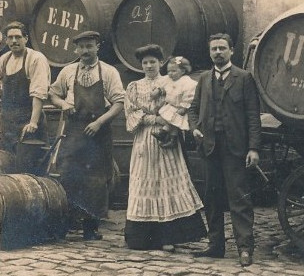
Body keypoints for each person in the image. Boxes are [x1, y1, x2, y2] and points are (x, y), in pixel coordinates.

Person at [121, 44, 206, 251]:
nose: (149, 66)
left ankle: (170, 236)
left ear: (161, 63)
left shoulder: (170, 82)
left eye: (153, 62)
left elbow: (184, 104)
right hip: (144, 140)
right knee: (145, 181)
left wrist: (169, 121)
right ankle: (142, 237)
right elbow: (131, 112)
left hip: (167, 138)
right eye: (145, 62)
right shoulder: (134, 86)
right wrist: (154, 118)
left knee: (167, 181)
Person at [187, 33, 262, 266]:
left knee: (239, 198)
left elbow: (253, 116)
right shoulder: (203, 79)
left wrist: (253, 148)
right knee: (212, 197)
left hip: (235, 148)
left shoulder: (244, 78)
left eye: (222, 48)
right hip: (210, 147)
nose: (217, 52)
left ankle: (244, 248)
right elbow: (192, 109)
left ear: (231, 50)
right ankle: (215, 245)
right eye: (214, 49)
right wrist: (194, 128)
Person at [48, 30, 125, 240]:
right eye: (81, 47)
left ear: (97, 47)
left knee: (96, 180)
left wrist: (100, 122)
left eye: (89, 46)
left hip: (98, 133)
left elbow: (119, 102)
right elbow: (52, 93)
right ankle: (69, 223)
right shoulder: (68, 71)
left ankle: (91, 228)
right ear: (76, 49)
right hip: (73, 130)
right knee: (68, 175)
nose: (85, 51)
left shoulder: (108, 72)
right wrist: (63, 103)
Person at [0, 22, 51, 171]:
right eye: (10, 37)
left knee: (28, 169)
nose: (14, 41)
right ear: (6, 40)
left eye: (18, 37)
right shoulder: (4, 59)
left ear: (26, 38)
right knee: (6, 165)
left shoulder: (35, 59)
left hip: (28, 123)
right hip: (7, 123)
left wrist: (33, 122)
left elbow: (39, 93)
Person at [155, 56, 197, 148]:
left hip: (179, 107)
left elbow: (189, 96)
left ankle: (171, 138)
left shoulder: (186, 82)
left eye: (173, 71)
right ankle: (164, 133)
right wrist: (158, 91)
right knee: (169, 119)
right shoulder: (168, 79)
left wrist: (184, 107)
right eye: (169, 71)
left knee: (174, 121)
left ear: (183, 71)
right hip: (170, 105)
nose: (170, 74)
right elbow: (162, 85)